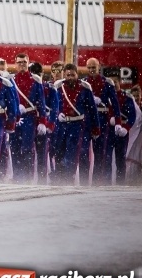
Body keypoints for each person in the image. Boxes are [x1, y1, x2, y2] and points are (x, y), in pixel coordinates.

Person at [52, 63, 100, 186]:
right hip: (62, 126)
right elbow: (54, 105)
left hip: (77, 125)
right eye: (68, 75)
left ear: (77, 74)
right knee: (59, 153)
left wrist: (96, 127)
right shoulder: (58, 87)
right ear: (64, 75)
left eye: (72, 75)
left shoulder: (85, 88)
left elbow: (92, 109)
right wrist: (57, 115)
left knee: (71, 154)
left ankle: (69, 180)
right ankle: (59, 180)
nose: (70, 78)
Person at [10, 53, 48, 183]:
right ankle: (17, 177)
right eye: (19, 62)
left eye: (24, 62)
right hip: (15, 118)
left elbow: (41, 102)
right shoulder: (11, 80)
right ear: (15, 64)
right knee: (14, 148)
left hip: (29, 118)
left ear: (28, 63)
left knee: (27, 148)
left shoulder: (35, 80)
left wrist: (42, 121)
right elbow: (9, 100)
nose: (21, 64)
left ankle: (27, 178)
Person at [83, 58, 120, 186]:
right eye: (89, 67)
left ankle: (98, 182)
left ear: (99, 67)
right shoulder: (84, 83)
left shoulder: (107, 83)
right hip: (87, 120)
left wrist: (118, 121)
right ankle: (84, 182)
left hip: (102, 120)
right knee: (83, 152)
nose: (91, 70)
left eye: (94, 67)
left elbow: (115, 103)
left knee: (100, 153)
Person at [102, 68, 134, 185]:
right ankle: (107, 183)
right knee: (107, 158)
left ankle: (121, 183)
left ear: (119, 82)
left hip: (122, 132)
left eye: (115, 82)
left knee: (121, 159)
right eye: (110, 82)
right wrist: (109, 119)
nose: (113, 84)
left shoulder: (127, 97)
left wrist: (126, 128)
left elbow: (132, 116)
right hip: (109, 131)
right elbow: (101, 113)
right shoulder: (106, 98)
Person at [33, 61, 58, 185]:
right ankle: (29, 177)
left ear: (42, 74)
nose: (37, 76)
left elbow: (55, 107)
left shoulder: (49, 88)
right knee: (28, 152)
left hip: (44, 123)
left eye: (38, 73)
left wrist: (50, 124)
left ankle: (43, 179)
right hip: (32, 122)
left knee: (45, 153)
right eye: (34, 73)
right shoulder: (30, 86)